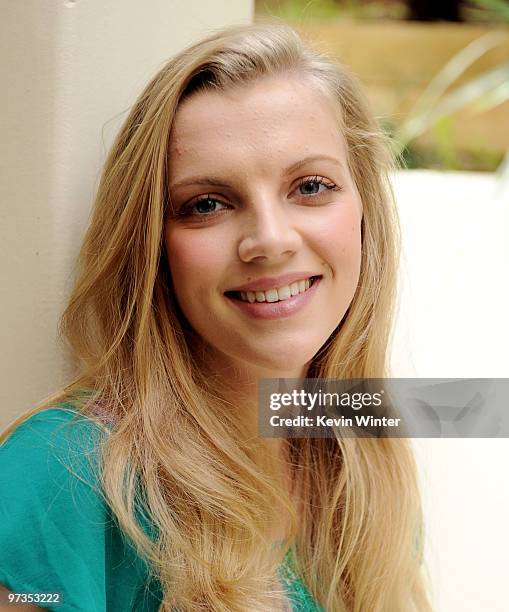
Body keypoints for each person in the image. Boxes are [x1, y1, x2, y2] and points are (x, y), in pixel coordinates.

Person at [0, 23, 432, 611]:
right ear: (152, 244)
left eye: (310, 186)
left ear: (364, 214)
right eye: (207, 204)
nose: (270, 240)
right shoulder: (56, 474)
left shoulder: (361, 451)